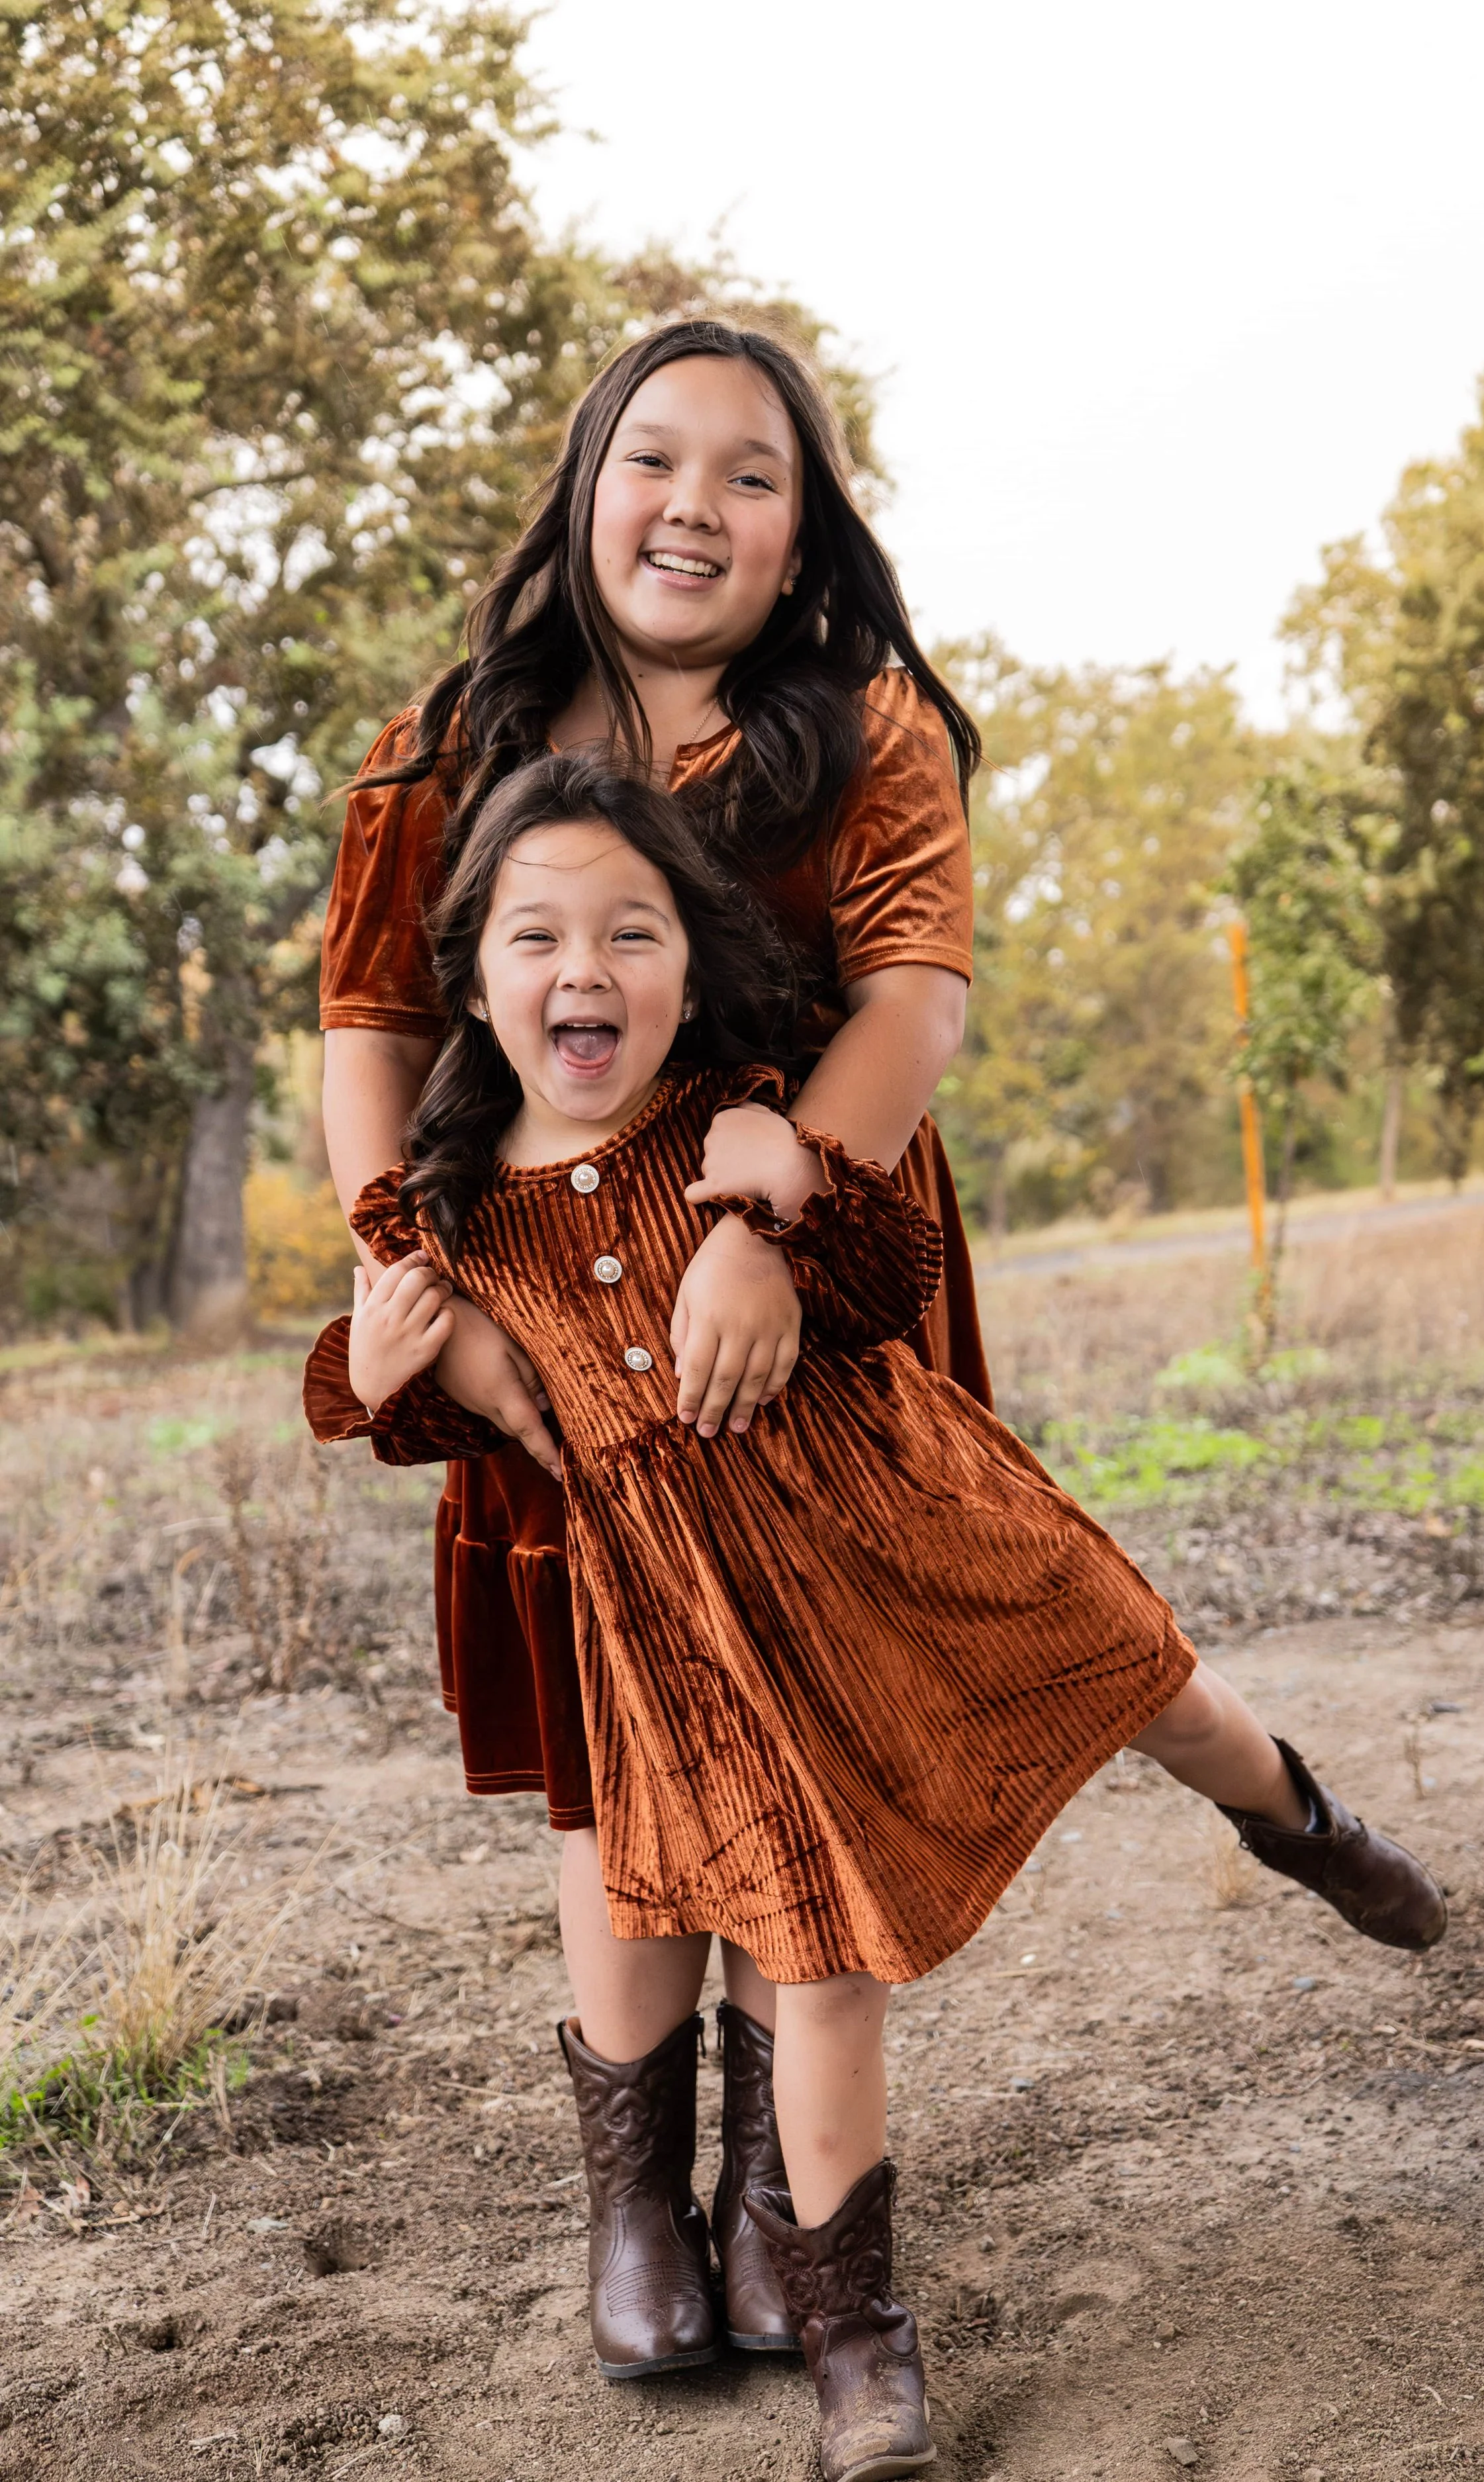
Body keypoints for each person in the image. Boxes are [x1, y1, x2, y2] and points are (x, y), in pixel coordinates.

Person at [305, 757, 1448, 2482]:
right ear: (476, 974)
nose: (584, 968)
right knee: (821, 1957)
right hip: (703, 1644)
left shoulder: (739, 1119)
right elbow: (389, 1392)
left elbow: (892, 1268)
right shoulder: (456, 1220)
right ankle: (860, 2350)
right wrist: (362, 1375)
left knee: (1152, 1683)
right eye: (536, 934)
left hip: (913, 1524)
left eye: (632, 927)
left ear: (691, 958)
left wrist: (787, 1192)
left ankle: (1290, 1807)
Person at [318, 324, 988, 2374]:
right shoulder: (447, 742)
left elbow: (912, 1008)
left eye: (752, 474)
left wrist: (760, 1226)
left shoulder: (863, 732)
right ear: (586, 480)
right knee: (619, 1739)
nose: (694, 503)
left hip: (807, 1290)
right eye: (655, 458)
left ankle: (787, 2203)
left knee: (804, 1719)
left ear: (806, 535)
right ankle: (635, 2197)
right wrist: (417, 1286)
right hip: (537, 1294)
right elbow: (373, 1026)